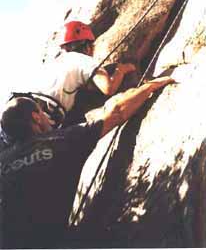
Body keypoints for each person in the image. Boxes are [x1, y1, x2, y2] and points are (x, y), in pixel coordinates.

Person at [0, 76, 174, 248]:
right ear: (36, 117)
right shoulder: (62, 140)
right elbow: (117, 112)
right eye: (42, 112)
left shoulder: (3, 160)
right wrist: (152, 85)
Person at [40, 21, 136, 124]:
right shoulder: (81, 59)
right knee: (113, 69)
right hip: (49, 119)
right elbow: (109, 88)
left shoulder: (55, 63)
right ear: (86, 46)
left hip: (38, 110)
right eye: (92, 45)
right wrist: (121, 70)